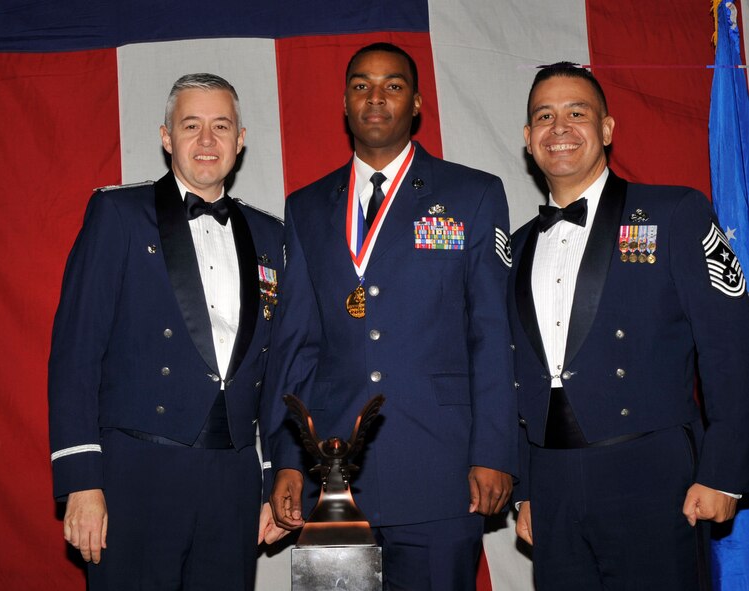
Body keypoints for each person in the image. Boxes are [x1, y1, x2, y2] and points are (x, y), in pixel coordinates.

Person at [264, 42, 516, 590]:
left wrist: (495, 450)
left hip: (441, 470)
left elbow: (492, 334)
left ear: (417, 103)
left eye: (393, 86)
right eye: (361, 85)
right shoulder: (306, 207)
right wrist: (285, 459)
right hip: (331, 477)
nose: (375, 98)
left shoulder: (472, 194)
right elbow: (296, 343)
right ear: (345, 102)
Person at [509, 62, 749, 589]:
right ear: (529, 139)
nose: (560, 128)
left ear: (608, 129)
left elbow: (730, 349)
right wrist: (527, 487)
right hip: (552, 481)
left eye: (577, 113)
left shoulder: (675, 213)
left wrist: (723, 471)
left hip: (651, 473)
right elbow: (518, 376)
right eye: (544, 116)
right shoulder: (518, 244)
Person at [47, 73, 285, 590]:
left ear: (240, 140)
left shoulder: (271, 235)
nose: (206, 141)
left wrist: (272, 481)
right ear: (165, 136)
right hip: (137, 475)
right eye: (191, 125)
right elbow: (75, 354)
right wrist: (82, 483)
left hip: (232, 481)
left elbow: (276, 371)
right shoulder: (118, 215)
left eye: (221, 126)